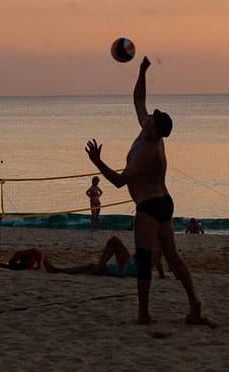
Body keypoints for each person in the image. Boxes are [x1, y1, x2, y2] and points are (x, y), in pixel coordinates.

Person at [85, 56, 209, 326]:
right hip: (164, 202)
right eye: (151, 118)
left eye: (152, 122)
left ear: (157, 132)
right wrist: (142, 71)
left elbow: (119, 182)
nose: (147, 119)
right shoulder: (148, 129)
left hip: (151, 207)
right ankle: (195, 304)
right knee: (173, 256)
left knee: (143, 260)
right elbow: (139, 100)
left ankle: (144, 313)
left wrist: (97, 162)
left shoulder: (149, 151)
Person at [43, 235, 140, 277]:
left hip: (134, 267)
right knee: (91, 266)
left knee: (114, 240)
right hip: (133, 265)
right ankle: (57, 270)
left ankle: (99, 267)